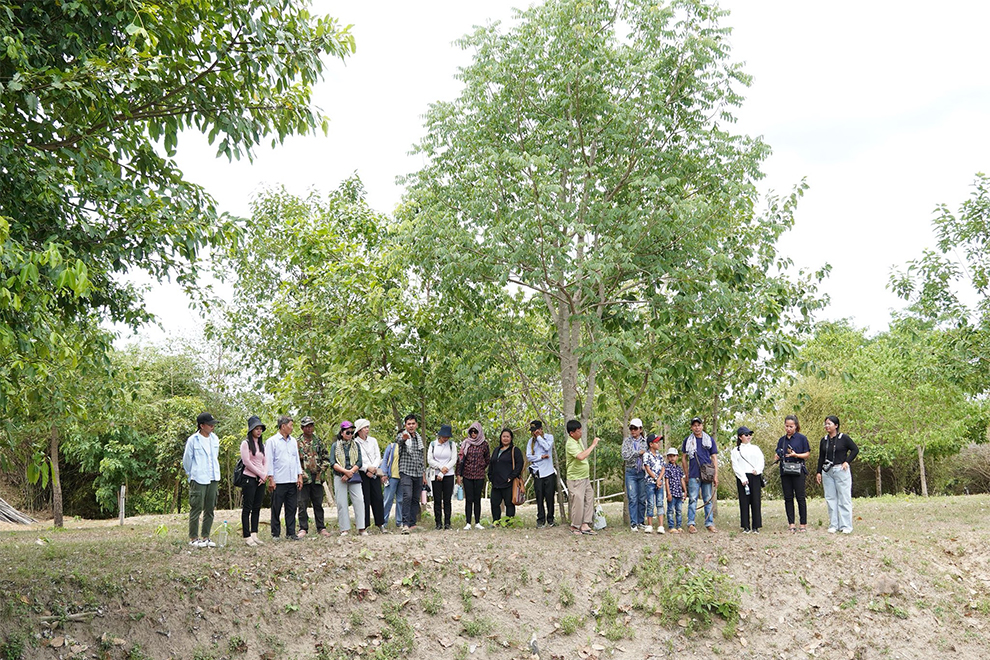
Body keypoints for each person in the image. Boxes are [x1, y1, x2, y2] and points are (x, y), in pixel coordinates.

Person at [183, 412, 222, 548]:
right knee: (196, 507)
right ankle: (194, 537)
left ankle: (206, 537)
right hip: (198, 477)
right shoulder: (193, 440)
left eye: (213, 424)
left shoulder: (215, 439)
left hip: (213, 476)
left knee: (210, 507)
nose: (212, 427)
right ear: (201, 425)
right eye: (210, 424)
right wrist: (191, 474)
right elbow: (187, 460)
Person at [816, 415, 859, 534]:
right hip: (827, 471)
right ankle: (833, 524)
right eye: (825, 424)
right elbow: (821, 457)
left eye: (829, 424)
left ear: (836, 425)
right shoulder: (824, 440)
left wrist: (847, 462)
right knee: (830, 498)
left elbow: (855, 450)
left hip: (841, 470)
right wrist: (818, 472)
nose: (827, 426)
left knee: (844, 497)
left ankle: (846, 525)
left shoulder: (843, 438)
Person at [265, 416, 304, 541]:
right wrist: (271, 478)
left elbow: (296, 459)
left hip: (292, 479)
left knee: (292, 507)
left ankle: (291, 532)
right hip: (279, 480)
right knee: (276, 508)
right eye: (290, 425)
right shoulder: (272, 441)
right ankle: (275, 533)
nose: (292, 428)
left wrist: (300, 475)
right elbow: (269, 461)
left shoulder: (293, 441)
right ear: (283, 426)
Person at [773, 414, 811, 533]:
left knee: (800, 497)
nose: (788, 428)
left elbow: (807, 454)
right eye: (787, 426)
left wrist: (796, 455)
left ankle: (803, 523)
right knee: (788, 497)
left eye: (791, 426)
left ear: (796, 426)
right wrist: (777, 457)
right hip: (785, 471)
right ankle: (791, 523)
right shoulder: (782, 440)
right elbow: (777, 455)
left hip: (798, 470)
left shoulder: (802, 438)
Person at [681, 417, 719, 534]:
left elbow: (714, 457)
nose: (697, 427)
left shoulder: (709, 440)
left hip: (707, 474)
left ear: (702, 426)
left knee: (707, 499)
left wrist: (716, 475)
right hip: (693, 474)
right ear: (691, 427)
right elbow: (683, 458)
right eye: (694, 425)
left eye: (699, 425)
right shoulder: (687, 440)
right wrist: (686, 473)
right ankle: (691, 523)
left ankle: (709, 523)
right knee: (692, 499)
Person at [330, 420, 367, 536]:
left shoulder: (356, 445)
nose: (350, 435)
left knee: (359, 500)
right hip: (339, 476)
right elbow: (333, 463)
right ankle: (344, 529)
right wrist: (345, 472)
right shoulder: (335, 446)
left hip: (354, 475)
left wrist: (350, 472)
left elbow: (359, 461)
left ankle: (361, 527)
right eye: (347, 432)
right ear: (341, 433)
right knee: (341, 502)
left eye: (352, 432)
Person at [296, 416, 330, 538]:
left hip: (317, 478)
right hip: (303, 478)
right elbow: (294, 461)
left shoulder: (319, 441)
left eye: (311, 426)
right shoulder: (297, 442)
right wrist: (299, 473)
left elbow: (326, 458)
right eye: (307, 426)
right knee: (302, 504)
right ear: (302, 428)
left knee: (318, 504)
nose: (309, 428)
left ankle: (321, 527)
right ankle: (303, 528)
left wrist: (321, 470)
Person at [565, 420, 600, 536]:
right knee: (578, 501)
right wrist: (593, 445)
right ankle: (575, 526)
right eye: (578, 431)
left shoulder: (577, 440)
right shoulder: (570, 444)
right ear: (571, 433)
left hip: (585, 477)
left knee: (589, 497)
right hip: (575, 478)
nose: (581, 432)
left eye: (580, 429)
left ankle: (585, 524)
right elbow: (580, 456)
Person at [239, 416, 268, 546]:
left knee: (257, 507)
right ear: (251, 430)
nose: (259, 431)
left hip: (261, 480)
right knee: (247, 507)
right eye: (256, 428)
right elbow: (247, 462)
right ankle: (246, 535)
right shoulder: (246, 443)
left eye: (260, 429)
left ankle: (254, 533)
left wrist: (264, 475)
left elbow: (265, 460)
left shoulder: (262, 444)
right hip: (249, 478)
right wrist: (260, 473)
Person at [730, 427, 765, 534]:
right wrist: (742, 477)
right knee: (744, 502)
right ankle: (746, 526)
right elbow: (735, 465)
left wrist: (758, 470)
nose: (748, 436)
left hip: (754, 476)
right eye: (746, 435)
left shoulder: (755, 448)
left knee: (756, 501)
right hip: (742, 477)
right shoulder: (736, 451)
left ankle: (756, 526)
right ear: (740, 437)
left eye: (750, 434)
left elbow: (761, 460)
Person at [354, 418, 386, 534]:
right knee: (365, 499)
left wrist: (373, 468)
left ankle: (381, 523)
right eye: (364, 428)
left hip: (375, 471)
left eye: (368, 427)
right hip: (362, 472)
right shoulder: (355, 442)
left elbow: (378, 455)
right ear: (359, 430)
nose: (367, 430)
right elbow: (356, 459)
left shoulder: (373, 440)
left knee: (378, 497)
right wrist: (366, 468)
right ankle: (364, 525)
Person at [397, 414, 427, 534]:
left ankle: (412, 523)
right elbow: (399, 441)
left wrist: (424, 474)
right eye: (408, 424)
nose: (411, 426)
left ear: (416, 425)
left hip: (418, 472)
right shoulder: (402, 435)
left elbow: (421, 458)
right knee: (407, 496)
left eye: (413, 423)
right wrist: (404, 438)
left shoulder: (419, 438)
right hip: (406, 471)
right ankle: (405, 523)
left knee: (415, 498)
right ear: (405, 425)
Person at [456, 421, 489, 529]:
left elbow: (487, 459)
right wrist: (459, 474)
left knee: (477, 499)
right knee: (469, 499)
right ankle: (468, 522)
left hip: (479, 475)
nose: (473, 434)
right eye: (471, 432)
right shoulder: (466, 443)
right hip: (467, 475)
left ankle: (478, 522)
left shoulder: (484, 444)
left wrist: (480, 466)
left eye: (475, 432)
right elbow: (460, 460)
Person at [526, 420, 557, 528]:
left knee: (550, 497)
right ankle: (540, 519)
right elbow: (529, 456)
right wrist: (540, 457)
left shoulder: (549, 437)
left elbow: (547, 447)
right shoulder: (531, 442)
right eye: (533, 431)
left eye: (536, 430)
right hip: (538, 472)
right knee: (539, 497)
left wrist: (539, 437)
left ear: (541, 429)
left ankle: (550, 519)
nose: (534, 433)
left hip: (549, 472)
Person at [488, 428, 523, 523]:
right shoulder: (496, 450)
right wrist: (490, 476)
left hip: (508, 483)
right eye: (504, 436)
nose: (505, 438)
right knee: (494, 503)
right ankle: (496, 521)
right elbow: (491, 464)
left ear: (511, 438)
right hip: (496, 482)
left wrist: (511, 477)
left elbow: (519, 465)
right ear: (500, 438)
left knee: (509, 503)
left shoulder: (515, 450)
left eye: (507, 436)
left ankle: (509, 522)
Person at [427, 424, 458, 530]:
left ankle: (447, 522)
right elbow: (430, 460)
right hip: (435, 474)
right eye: (444, 436)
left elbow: (454, 459)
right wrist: (440, 468)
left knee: (447, 499)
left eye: (447, 437)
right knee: (437, 499)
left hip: (449, 474)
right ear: (440, 435)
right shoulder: (433, 444)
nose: (446, 439)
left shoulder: (451, 444)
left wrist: (444, 471)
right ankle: (438, 522)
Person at [621, 418, 648, 531]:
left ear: (640, 429)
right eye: (631, 428)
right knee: (632, 497)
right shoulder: (627, 441)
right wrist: (638, 453)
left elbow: (648, 454)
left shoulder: (645, 442)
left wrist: (636, 454)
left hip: (642, 472)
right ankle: (633, 523)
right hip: (630, 472)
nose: (633, 431)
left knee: (642, 498)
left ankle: (641, 521)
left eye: (635, 428)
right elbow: (625, 456)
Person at [642, 433, 666, 534]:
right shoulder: (646, 455)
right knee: (650, 503)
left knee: (660, 503)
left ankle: (661, 525)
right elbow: (647, 468)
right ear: (651, 444)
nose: (659, 444)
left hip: (659, 483)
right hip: (650, 483)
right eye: (657, 442)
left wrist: (659, 479)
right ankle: (650, 524)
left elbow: (663, 468)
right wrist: (656, 479)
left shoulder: (660, 456)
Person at [380, 434, 404, 530]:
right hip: (391, 477)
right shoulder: (391, 446)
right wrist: (384, 473)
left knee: (400, 500)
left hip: (403, 477)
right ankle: (383, 522)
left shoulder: (407, 447)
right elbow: (385, 460)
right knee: (387, 500)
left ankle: (400, 522)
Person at [664, 448, 686, 533]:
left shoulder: (679, 468)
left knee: (679, 510)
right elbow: (666, 481)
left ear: (677, 457)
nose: (672, 458)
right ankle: (671, 526)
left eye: (674, 456)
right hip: (672, 493)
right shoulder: (667, 468)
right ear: (668, 458)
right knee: (670, 510)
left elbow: (682, 480)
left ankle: (679, 526)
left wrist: (685, 491)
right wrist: (668, 493)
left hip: (679, 493)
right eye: (670, 456)